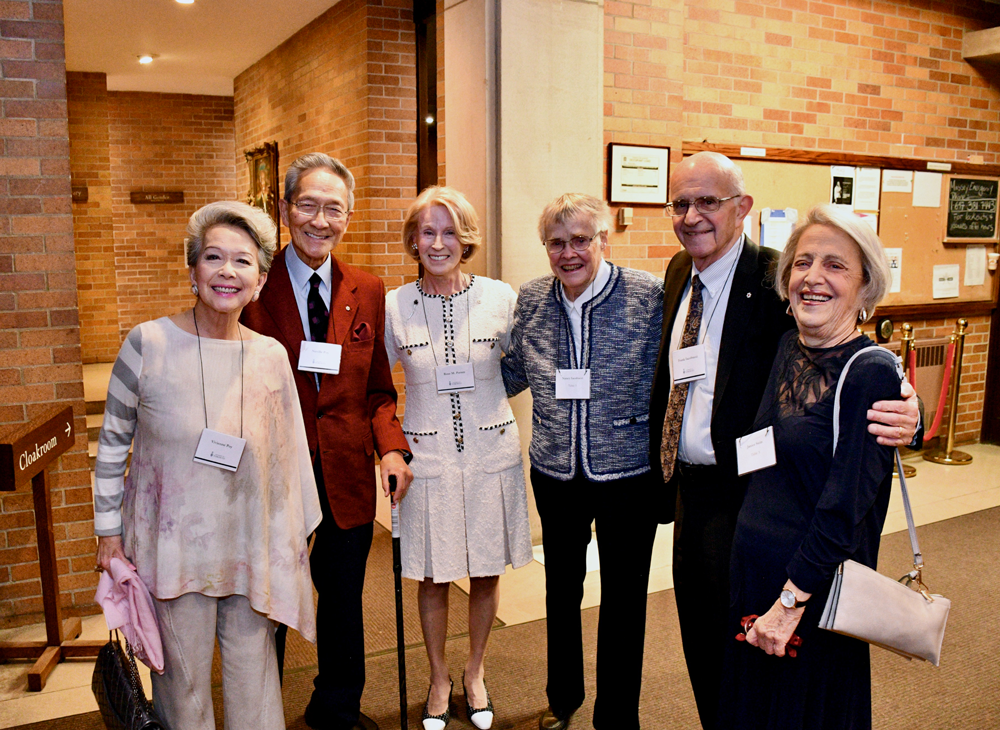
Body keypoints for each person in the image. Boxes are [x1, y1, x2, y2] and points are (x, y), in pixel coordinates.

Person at [647, 151, 921, 730]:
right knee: (712, 653)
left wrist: (907, 405)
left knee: (789, 696)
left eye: (708, 202)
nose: (692, 215)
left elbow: (857, 380)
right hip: (704, 503)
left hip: (758, 517)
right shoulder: (679, 274)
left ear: (742, 208)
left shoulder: (771, 283)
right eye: (681, 203)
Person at [94, 201, 321, 730]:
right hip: (173, 549)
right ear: (193, 271)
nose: (227, 272)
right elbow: (111, 445)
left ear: (260, 280)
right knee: (182, 687)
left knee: (256, 681)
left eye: (242, 262)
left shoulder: (270, 355)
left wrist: (289, 539)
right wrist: (108, 534)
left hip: (248, 544)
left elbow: (288, 455)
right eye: (213, 257)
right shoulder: (147, 343)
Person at [241, 153, 413, 730]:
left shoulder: (366, 288)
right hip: (271, 468)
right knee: (267, 596)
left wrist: (390, 446)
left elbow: (378, 390)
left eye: (333, 208)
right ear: (285, 209)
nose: (320, 219)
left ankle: (338, 704)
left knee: (342, 596)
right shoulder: (251, 283)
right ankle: (257, 709)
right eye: (308, 205)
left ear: (349, 215)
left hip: (343, 467)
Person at [718, 204, 902, 728]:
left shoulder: (870, 374)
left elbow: (844, 509)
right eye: (803, 262)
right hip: (753, 572)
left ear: (866, 286)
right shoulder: (787, 347)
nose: (813, 277)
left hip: (810, 592)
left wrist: (791, 601)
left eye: (835, 265)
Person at [502, 194, 663, 730]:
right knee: (561, 590)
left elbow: (675, 379)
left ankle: (617, 717)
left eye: (580, 240)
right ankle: (563, 697)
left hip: (627, 474)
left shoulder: (648, 295)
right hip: (555, 472)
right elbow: (512, 373)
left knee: (623, 599)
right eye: (556, 242)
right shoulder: (531, 299)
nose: (568, 253)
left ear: (603, 240)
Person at [385, 186, 533, 730]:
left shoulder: (500, 296)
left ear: (465, 237)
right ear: (414, 239)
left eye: (450, 231)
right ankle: (438, 676)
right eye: (428, 232)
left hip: (491, 452)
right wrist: (391, 447)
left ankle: (475, 671)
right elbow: (378, 382)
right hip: (428, 459)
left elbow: (520, 366)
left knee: (487, 570)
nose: (439, 242)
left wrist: (485, 405)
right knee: (433, 574)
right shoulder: (395, 304)